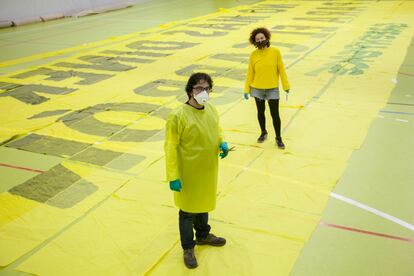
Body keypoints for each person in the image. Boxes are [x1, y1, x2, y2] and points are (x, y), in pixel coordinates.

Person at [164, 72, 229, 269]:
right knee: (187, 210)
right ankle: (188, 247)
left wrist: (221, 142)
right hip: (188, 171)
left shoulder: (211, 109)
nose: (203, 92)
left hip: (207, 169)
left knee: (202, 203)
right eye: (199, 88)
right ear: (190, 90)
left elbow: (215, 129)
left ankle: (202, 235)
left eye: (207, 88)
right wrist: (173, 176)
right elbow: (170, 147)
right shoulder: (178, 116)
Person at [244, 27, 290, 149]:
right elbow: (250, 73)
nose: (260, 40)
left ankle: (278, 138)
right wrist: (246, 89)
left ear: (267, 38)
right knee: (260, 112)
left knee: (275, 114)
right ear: (254, 42)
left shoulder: (275, 52)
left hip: (272, 89)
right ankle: (263, 132)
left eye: (262, 38)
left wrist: (286, 85)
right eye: (257, 39)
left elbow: (281, 69)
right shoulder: (253, 55)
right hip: (257, 89)